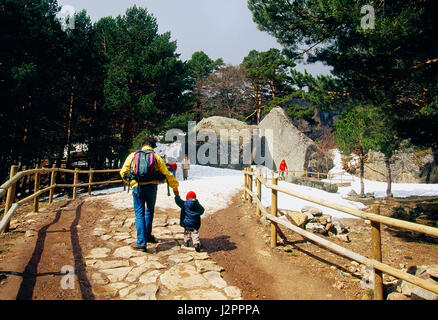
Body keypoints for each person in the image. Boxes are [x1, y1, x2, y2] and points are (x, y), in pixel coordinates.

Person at [120, 138, 179, 252]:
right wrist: (175, 187)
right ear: (152, 146)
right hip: (152, 187)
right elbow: (167, 174)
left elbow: (123, 172)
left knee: (139, 213)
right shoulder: (156, 157)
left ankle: (141, 242)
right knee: (149, 211)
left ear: (142, 145)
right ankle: (147, 236)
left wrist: (132, 183)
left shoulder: (133, 155)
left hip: (138, 187)